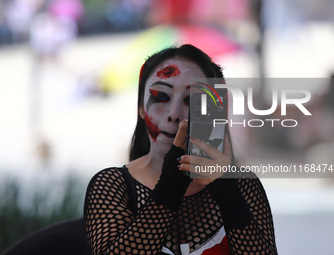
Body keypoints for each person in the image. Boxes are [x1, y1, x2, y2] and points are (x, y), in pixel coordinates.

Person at [83, 44, 278, 255]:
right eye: (161, 97)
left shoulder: (243, 185)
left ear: (215, 112)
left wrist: (227, 191)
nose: (174, 114)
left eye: (192, 100)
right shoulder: (111, 186)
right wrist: (170, 186)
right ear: (140, 107)